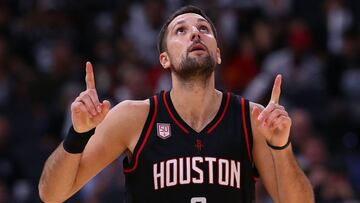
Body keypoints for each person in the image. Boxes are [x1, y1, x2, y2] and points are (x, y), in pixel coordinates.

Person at [38, 5, 314, 203]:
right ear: (164, 59)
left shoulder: (251, 118)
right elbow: (52, 195)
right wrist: (78, 135)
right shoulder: (134, 117)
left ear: (218, 54)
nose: (195, 33)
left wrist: (281, 146)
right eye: (181, 31)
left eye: (203, 29)